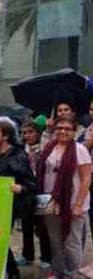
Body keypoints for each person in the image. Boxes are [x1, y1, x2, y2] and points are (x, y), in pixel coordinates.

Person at [0, 121, 37, 279]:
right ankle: (7, 271)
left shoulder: (18, 155)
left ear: (6, 136)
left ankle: (12, 273)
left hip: (9, 206)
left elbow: (31, 184)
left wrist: (20, 188)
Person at [37, 117, 92, 278]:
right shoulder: (49, 147)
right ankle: (58, 271)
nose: (63, 131)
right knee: (55, 241)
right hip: (50, 203)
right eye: (59, 128)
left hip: (73, 202)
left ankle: (71, 273)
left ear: (74, 132)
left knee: (71, 242)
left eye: (68, 128)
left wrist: (78, 205)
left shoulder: (79, 149)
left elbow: (86, 178)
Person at [18, 120, 52, 270]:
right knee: (26, 226)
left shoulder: (45, 149)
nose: (28, 135)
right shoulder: (20, 150)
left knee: (42, 227)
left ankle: (46, 257)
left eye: (31, 132)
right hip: (26, 192)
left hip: (41, 191)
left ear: (38, 133)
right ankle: (27, 255)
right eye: (24, 133)